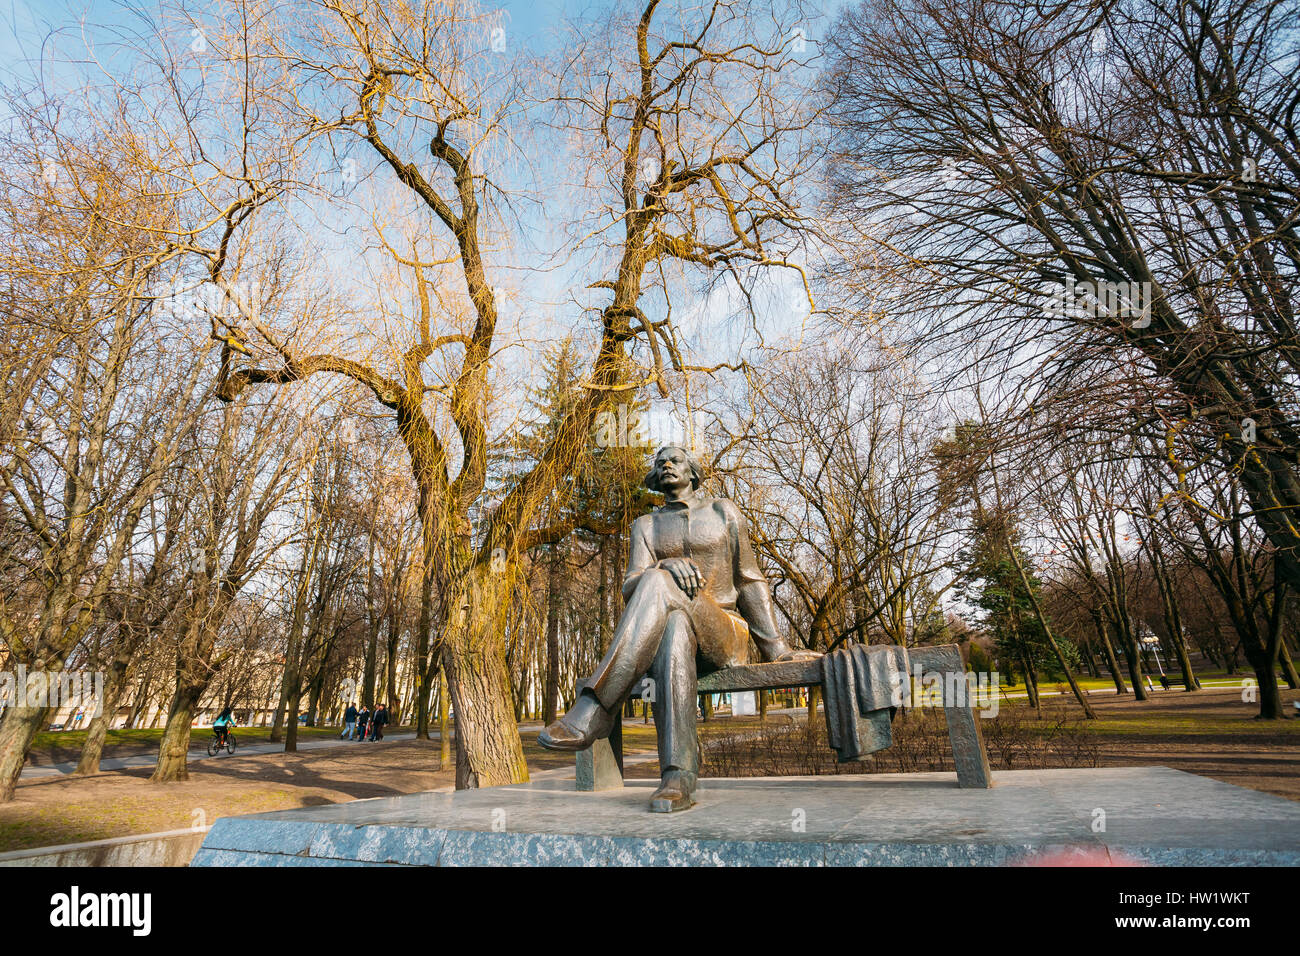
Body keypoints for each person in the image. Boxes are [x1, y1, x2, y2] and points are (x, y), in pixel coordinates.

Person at [538, 444, 819, 812]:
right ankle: (677, 777)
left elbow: (750, 581)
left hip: (723, 633)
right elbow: (630, 586)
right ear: (655, 477)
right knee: (671, 623)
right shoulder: (646, 525)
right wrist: (665, 566)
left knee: (656, 584)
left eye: (676, 459)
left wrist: (777, 648)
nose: (667, 464)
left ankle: (594, 709)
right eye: (660, 462)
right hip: (675, 635)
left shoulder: (723, 512)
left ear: (693, 472)